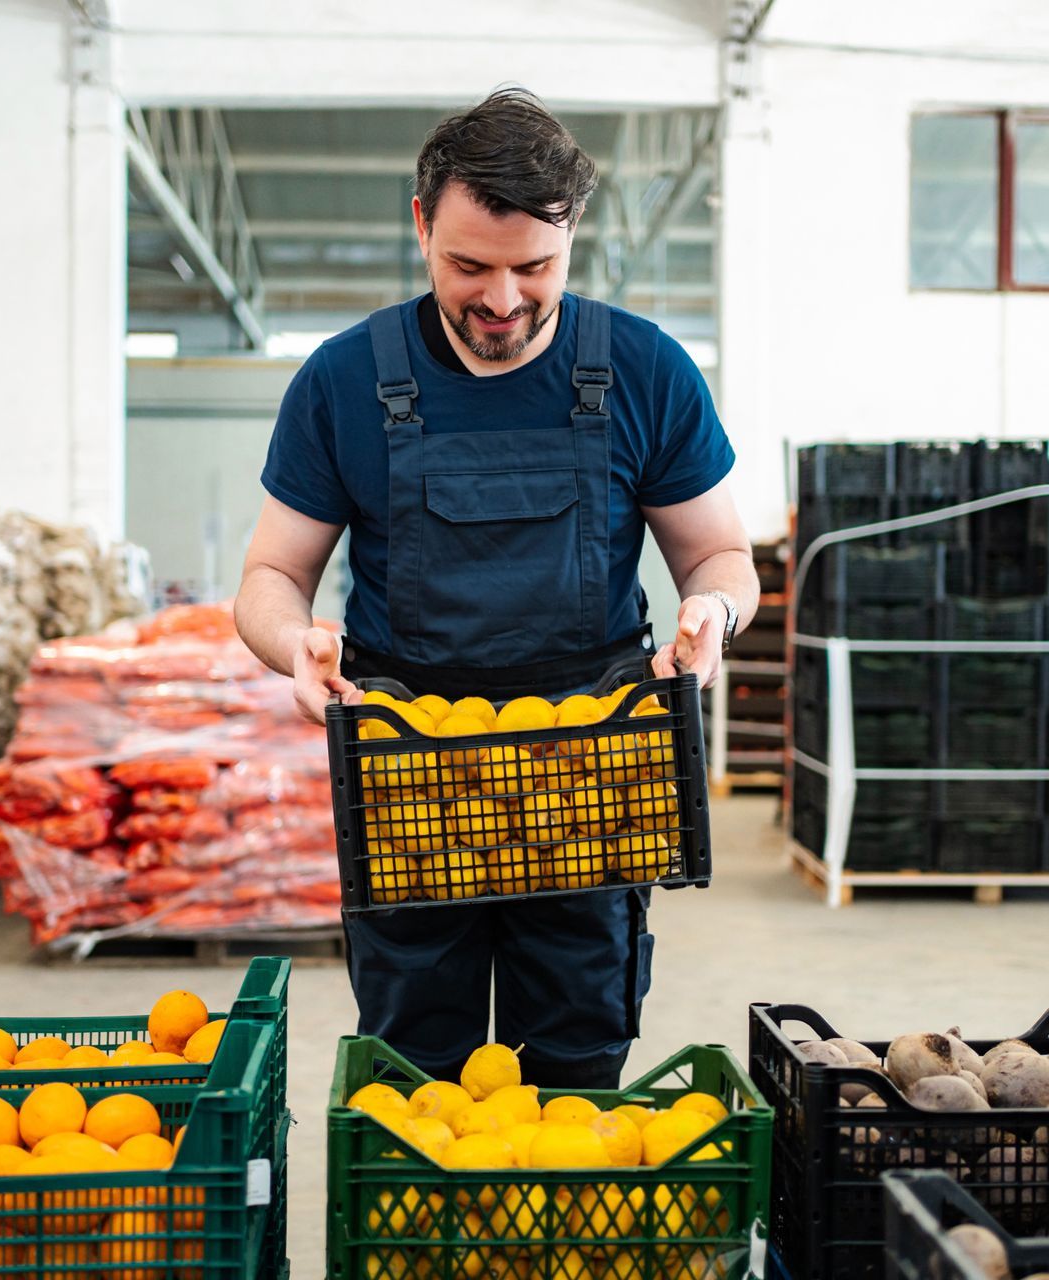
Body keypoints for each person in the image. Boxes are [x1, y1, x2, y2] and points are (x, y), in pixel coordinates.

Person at [234, 88, 757, 1088]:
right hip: (408, 777)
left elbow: (721, 557)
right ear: (422, 222)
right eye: (470, 266)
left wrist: (714, 611)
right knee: (412, 1070)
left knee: (577, 1065)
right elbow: (270, 574)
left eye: (536, 268)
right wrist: (290, 638)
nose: (504, 300)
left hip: (591, 773)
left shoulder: (643, 369)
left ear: (574, 237)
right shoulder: (344, 379)